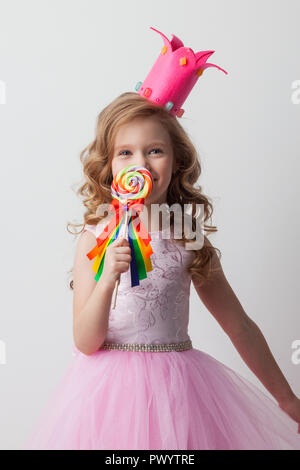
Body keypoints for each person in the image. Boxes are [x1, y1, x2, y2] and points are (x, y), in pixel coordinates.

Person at [21, 92, 300, 450]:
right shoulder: (95, 238)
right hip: (108, 399)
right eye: (126, 152)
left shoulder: (188, 236)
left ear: (177, 159)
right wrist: (107, 279)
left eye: (155, 150)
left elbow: (239, 325)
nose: (142, 163)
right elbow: (85, 342)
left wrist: (286, 398)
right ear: (108, 166)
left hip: (181, 394)